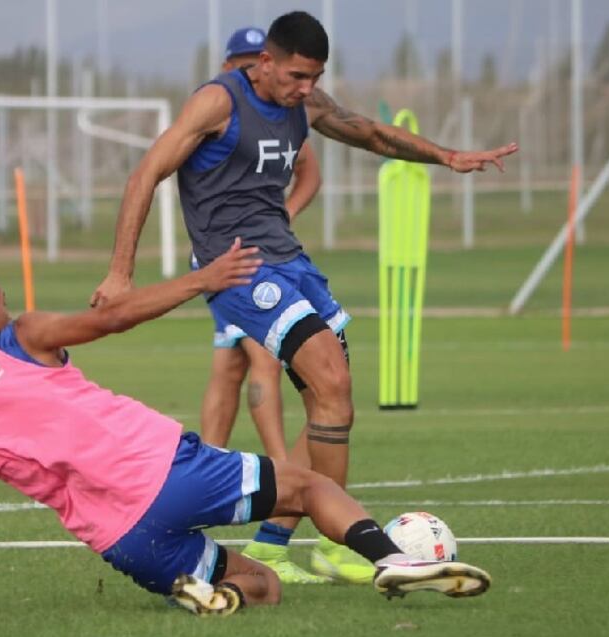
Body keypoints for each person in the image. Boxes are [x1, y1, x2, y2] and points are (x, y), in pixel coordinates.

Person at [90, 11, 517, 585]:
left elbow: (369, 132)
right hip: (239, 267)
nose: (307, 88)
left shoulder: (306, 103)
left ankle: (299, 544)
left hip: (291, 261)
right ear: (265, 62)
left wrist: (446, 156)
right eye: (297, 75)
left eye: (315, 77)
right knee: (328, 381)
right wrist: (120, 273)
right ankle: (350, 543)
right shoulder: (217, 103)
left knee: (333, 401)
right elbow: (144, 175)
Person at [0, 241, 491, 617]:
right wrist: (202, 280)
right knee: (310, 486)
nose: (10, 311)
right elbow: (112, 318)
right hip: (166, 470)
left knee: (264, 586)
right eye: (3, 304)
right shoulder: (22, 336)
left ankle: (215, 597)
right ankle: (393, 559)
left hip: (121, 538)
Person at [197, 26, 327, 586]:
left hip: (258, 257)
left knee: (237, 363)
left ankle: (208, 474)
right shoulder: (221, 105)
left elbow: (309, 169)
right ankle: (280, 476)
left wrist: (283, 215)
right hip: (237, 265)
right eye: (245, 59)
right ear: (237, 63)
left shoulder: (281, 110)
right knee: (251, 364)